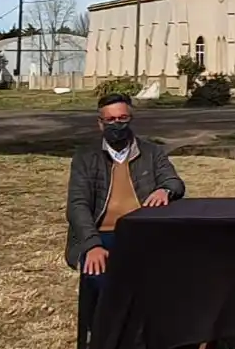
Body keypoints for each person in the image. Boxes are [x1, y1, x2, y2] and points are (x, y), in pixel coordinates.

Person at [65, 93, 186, 280]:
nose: (117, 124)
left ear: (131, 119)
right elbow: (77, 205)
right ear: (100, 123)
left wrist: (165, 190)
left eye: (122, 118)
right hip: (101, 234)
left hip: (143, 232)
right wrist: (92, 245)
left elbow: (174, 182)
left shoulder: (152, 152)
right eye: (110, 119)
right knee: (100, 279)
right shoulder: (85, 157)